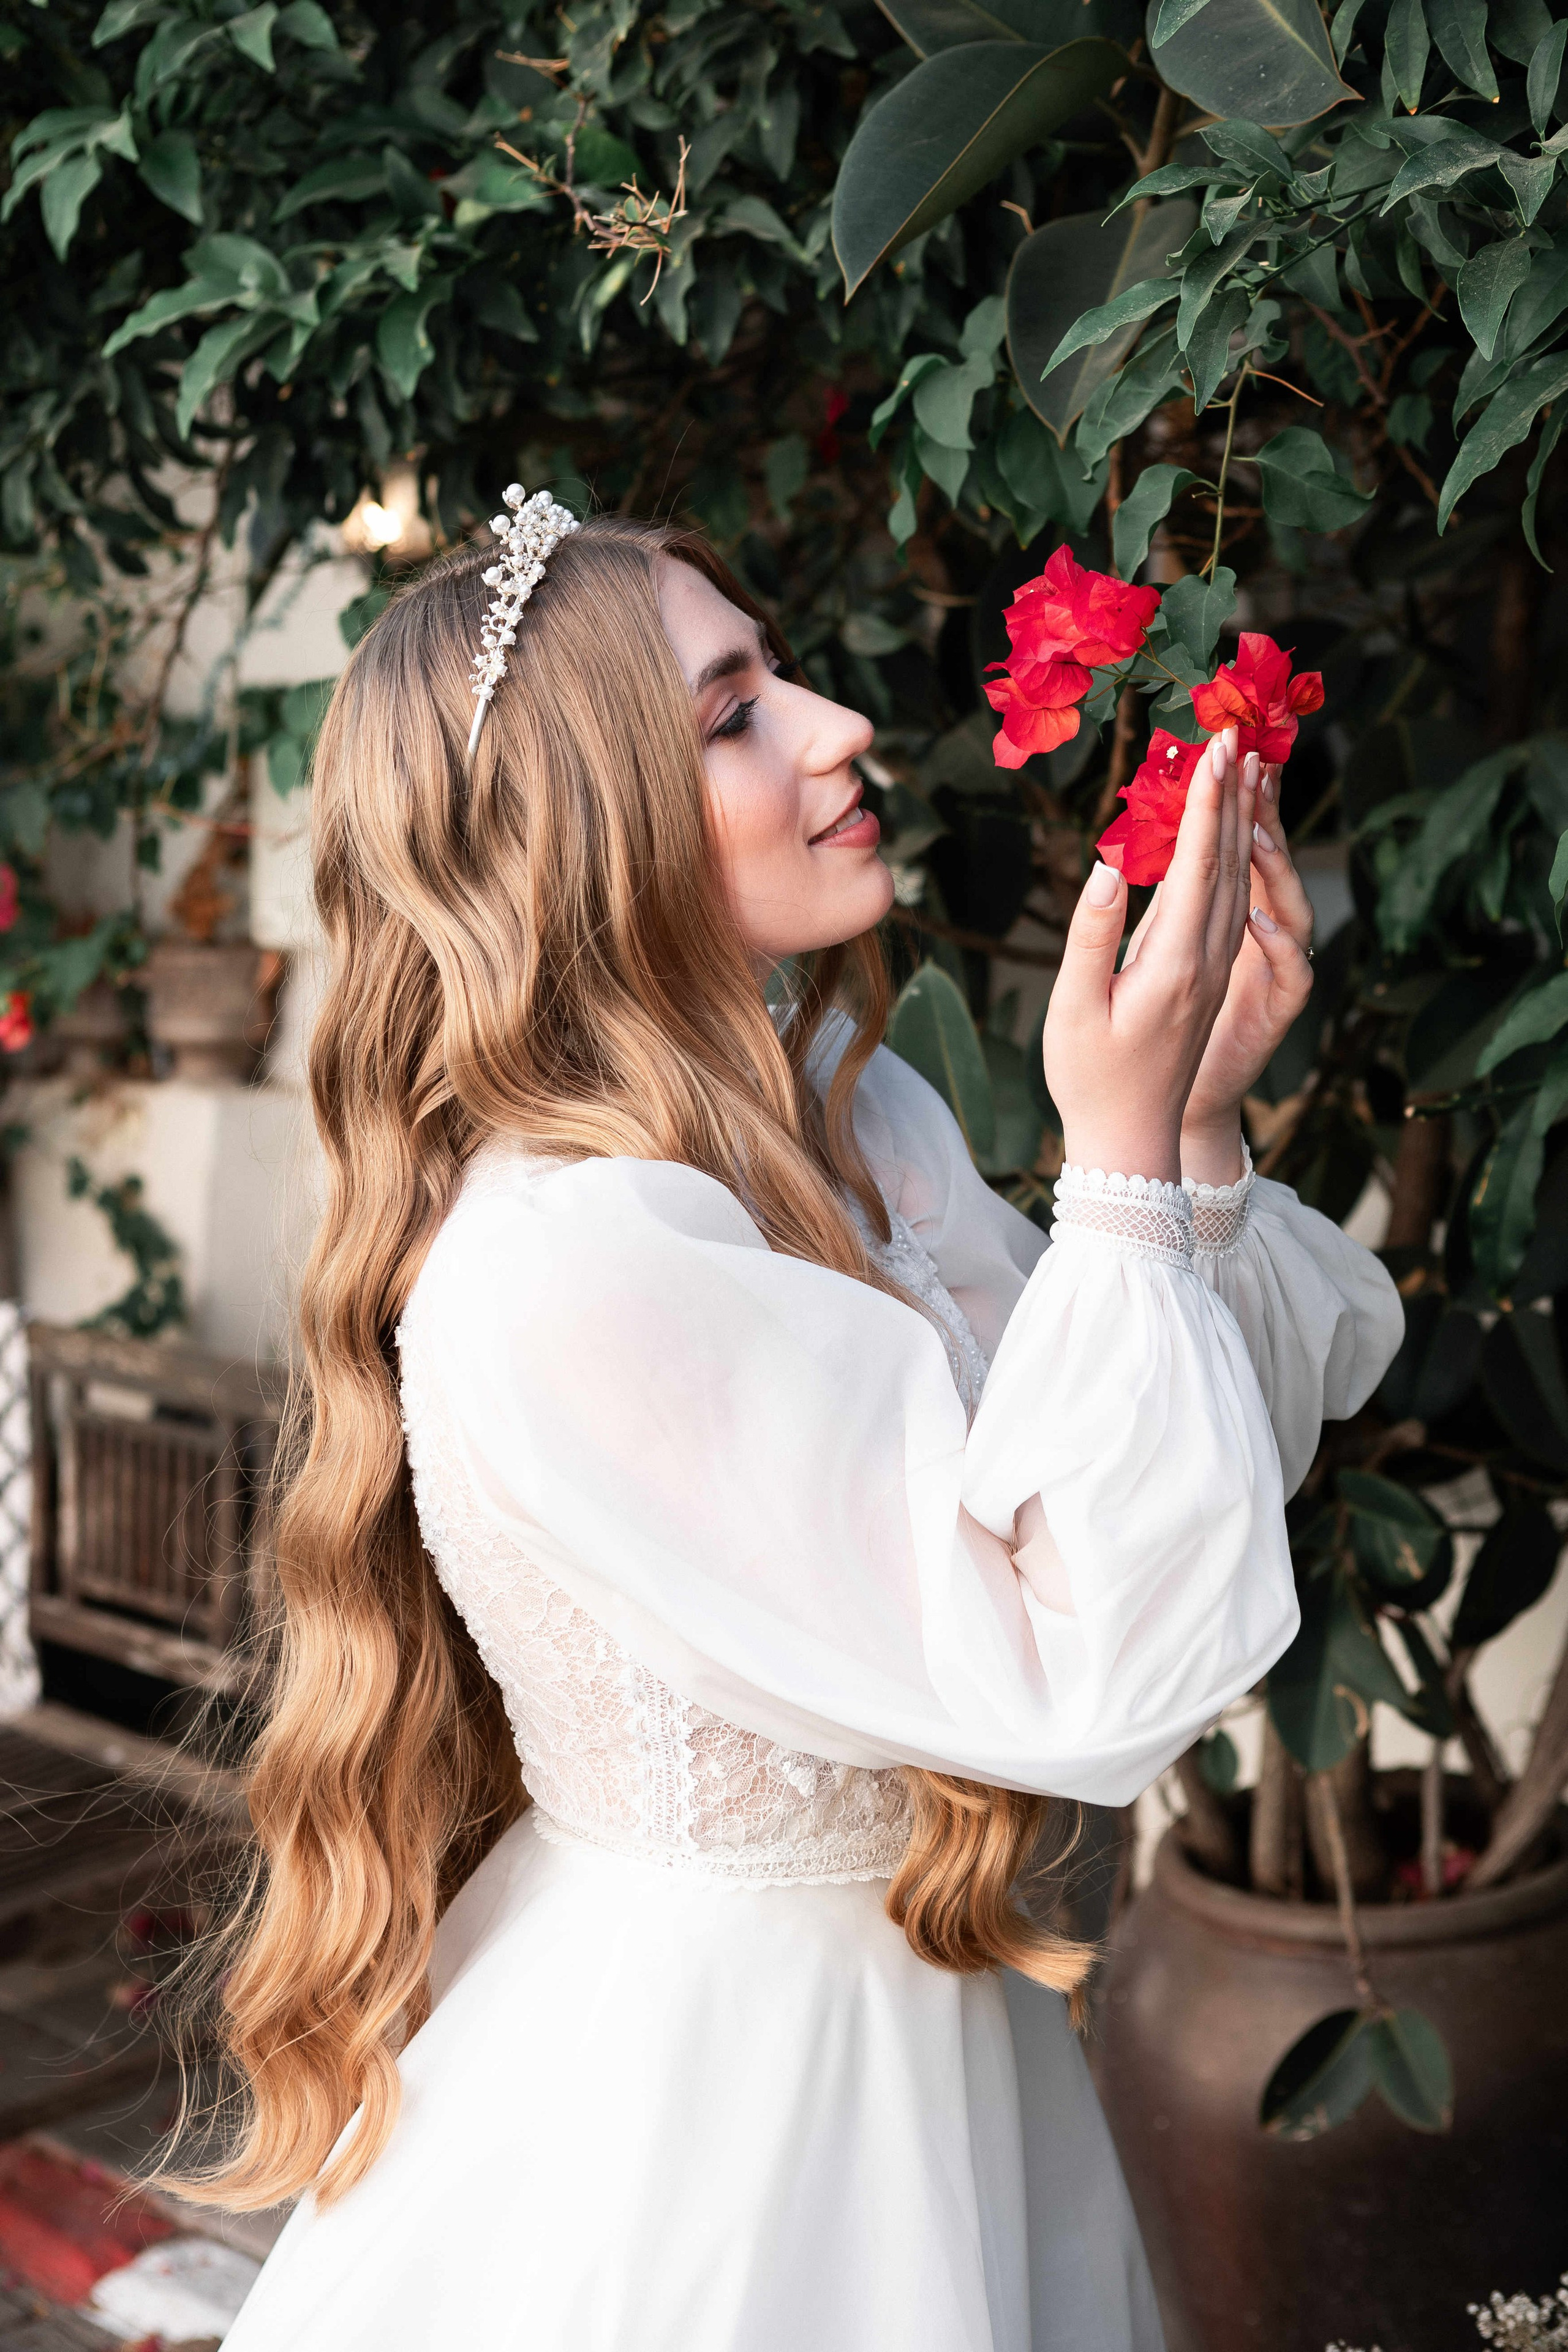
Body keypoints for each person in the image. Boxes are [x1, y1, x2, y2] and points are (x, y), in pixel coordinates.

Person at [188, 500, 1402, 2352]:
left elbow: (1120, 1501)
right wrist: (1115, 1169)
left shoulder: (850, 1103)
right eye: (737, 709)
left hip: (933, 2037)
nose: (840, 726)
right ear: (577, 828)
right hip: (728, 2107)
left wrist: (1194, 1137)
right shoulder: (568, 1261)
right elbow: (1083, 1667)